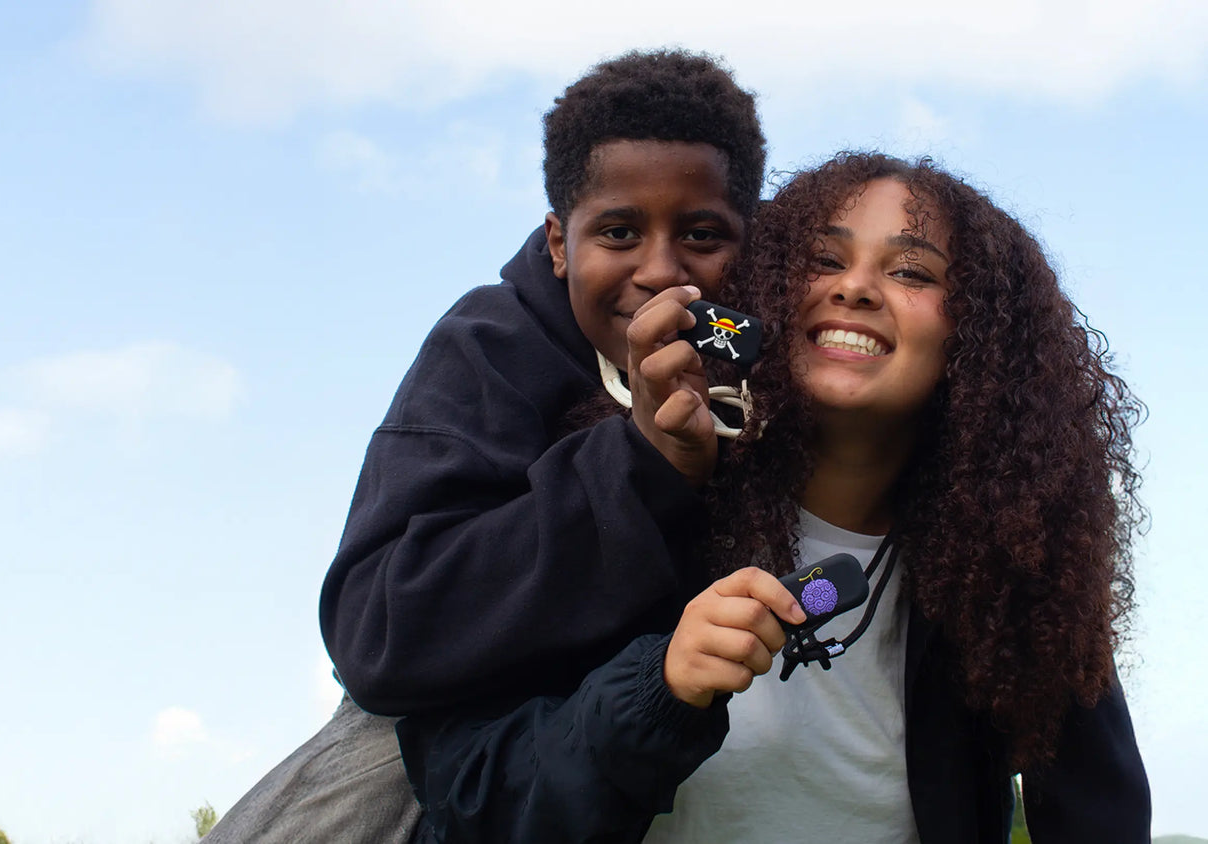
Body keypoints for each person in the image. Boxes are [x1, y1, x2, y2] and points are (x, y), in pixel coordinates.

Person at [397, 153, 1150, 843]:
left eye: (912, 272)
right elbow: (467, 798)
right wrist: (657, 693)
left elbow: (1100, 818)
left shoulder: (1015, 577)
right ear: (765, 295)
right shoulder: (637, 501)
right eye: (824, 260)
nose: (854, 287)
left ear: (985, 338)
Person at [205, 49, 767, 843]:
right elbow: (379, 632)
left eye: (703, 234)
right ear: (559, 242)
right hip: (433, 757)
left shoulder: (780, 365)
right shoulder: (487, 349)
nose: (660, 270)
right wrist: (644, 465)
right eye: (618, 231)